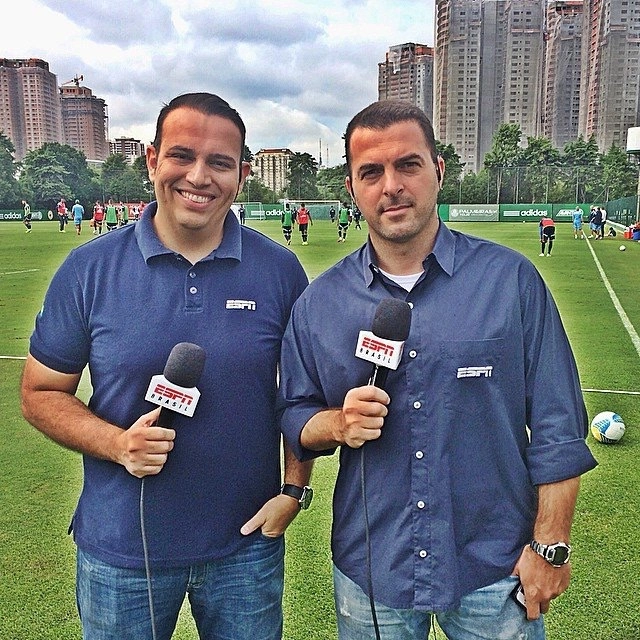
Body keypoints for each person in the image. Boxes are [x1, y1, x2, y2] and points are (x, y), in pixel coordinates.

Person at [278, 100, 597, 640]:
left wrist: (551, 546)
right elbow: (294, 415)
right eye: (371, 173)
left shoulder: (511, 282)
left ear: (438, 171)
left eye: (408, 165)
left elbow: (558, 425)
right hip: (373, 566)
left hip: (494, 568)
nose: (392, 186)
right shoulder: (321, 303)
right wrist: (336, 424)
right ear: (353, 190)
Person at [21, 92, 312, 640]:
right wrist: (116, 444)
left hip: (245, 547)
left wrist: (295, 491)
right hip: (122, 551)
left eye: (220, 162)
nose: (199, 177)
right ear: (152, 160)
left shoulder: (279, 271)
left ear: (241, 176)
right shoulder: (89, 270)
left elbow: (299, 395)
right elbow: (40, 392)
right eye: (182, 156)